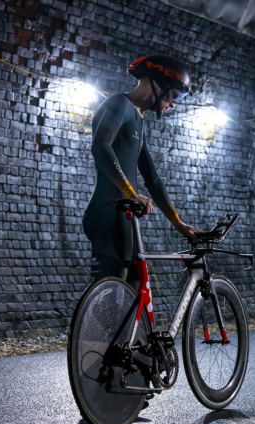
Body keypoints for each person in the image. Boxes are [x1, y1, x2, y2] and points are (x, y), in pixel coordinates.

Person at [83, 54, 202, 288]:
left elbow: (153, 179)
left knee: (135, 292)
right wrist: (129, 191)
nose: (174, 103)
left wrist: (179, 224)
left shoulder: (139, 119)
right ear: (159, 84)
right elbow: (100, 145)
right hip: (108, 213)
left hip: (125, 216)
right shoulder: (120, 104)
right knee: (108, 295)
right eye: (174, 95)